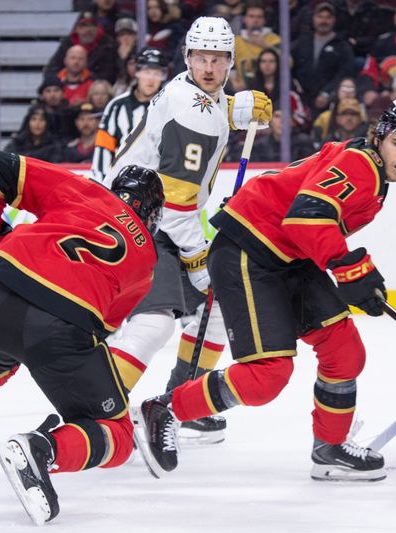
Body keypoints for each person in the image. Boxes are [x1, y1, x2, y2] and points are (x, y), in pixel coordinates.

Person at [138, 100, 396, 482]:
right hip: (250, 252)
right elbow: (306, 216)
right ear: (380, 137)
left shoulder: (370, 171)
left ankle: (329, 449)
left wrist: (348, 269)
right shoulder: (361, 165)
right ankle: (165, 408)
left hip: (288, 257)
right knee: (266, 377)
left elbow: (298, 199)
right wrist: (350, 268)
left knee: (344, 350)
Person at [0, 152, 165, 524]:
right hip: (59, 324)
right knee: (118, 433)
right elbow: (97, 330)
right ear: (152, 215)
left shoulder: (85, 190)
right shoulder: (147, 264)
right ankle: (42, 449)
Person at [101, 17, 273, 454]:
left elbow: (207, 107)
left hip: (149, 216)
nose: (209, 67)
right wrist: (198, 262)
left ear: (232, 62)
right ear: (187, 57)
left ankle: (180, 404)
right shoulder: (190, 110)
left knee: (213, 309)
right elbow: (177, 206)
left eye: (218, 58)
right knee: (155, 323)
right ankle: (99, 409)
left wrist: (234, 109)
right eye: (201, 57)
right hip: (140, 223)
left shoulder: (193, 92)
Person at [92, 47, 169, 182]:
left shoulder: (170, 106)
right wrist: (101, 184)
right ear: (137, 72)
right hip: (119, 181)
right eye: (147, 72)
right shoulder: (117, 106)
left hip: (157, 183)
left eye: (157, 73)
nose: (151, 79)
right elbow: (103, 148)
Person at [46, 11, 118, 85]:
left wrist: (86, 79)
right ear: (77, 29)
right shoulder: (67, 43)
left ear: (97, 28)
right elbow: (51, 70)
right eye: (83, 26)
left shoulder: (107, 45)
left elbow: (108, 75)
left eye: (92, 26)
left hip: (94, 88)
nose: (88, 30)